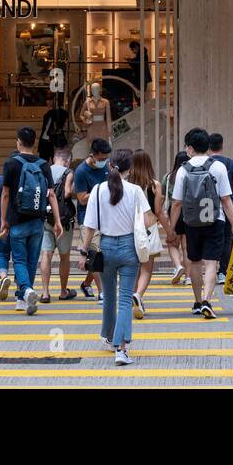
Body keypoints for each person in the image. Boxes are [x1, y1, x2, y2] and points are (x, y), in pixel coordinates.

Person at [80, 149, 155, 366]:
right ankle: (121, 349)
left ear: (110, 165)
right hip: (129, 247)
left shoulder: (97, 190)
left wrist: (84, 253)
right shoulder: (135, 191)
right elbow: (148, 221)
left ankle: (108, 336)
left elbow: (90, 226)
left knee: (108, 296)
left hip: (106, 247)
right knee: (124, 299)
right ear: (129, 170)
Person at [169, 127, 233, 320]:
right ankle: (208, 301)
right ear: (208, 146)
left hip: (192, 222)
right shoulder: (218, 167)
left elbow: (177, 203)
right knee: (211, 263)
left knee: (194, 261)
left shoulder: (183, 169)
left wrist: (171, 228)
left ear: (190, 148)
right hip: (214, 220)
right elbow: (226, 199)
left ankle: (197, 302)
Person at [0, 127, 63, 315]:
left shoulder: (11, 163)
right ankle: (22, 299)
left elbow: (5, 194)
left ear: (18, 142)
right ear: (34, 142)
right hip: (38, 221)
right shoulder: (43, 164)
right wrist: (57, 221)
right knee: (32, 260)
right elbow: (51, 195)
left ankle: (26, 290)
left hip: (17, 221)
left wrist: (4, 220)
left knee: (20, 260)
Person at [128, 148, 172, 318]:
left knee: (133, 267)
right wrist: (169, 232)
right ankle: (138, 295)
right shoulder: (154, 185)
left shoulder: (128, 184)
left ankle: (133, 298)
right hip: (149, 228)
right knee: (146, 268)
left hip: (130, 228)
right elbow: (159, 211)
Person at [37, 136, 76, 303]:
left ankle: (45, 293)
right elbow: (67, 193)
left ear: (53, 159)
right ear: (68, 161)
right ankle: (62, 291)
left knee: (46, 254)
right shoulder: (68, 172)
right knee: (64, 256)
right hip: (63, 220)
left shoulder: (44, 170)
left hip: (46, 218)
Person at [72, 137, 112, 298]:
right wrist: (102, 190)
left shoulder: (106, 167)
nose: (104, 161)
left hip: (106, 216)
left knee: (103, 255)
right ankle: (103, 292)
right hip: (87, 218)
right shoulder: (81, 171)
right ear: (93, 155)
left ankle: (87, 283)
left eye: (106, 158)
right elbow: (81, 198)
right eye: (101, 158)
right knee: (94, 253)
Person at [207, 133, 233, 284]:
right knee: (227, 239)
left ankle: (210, 269)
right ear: (222, 145)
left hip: (207, 207)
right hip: (227, 207)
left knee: (212, 238)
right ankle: (223, 272)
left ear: (209, 146)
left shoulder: (206, 163)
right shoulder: (231, 163)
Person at [161, 150, 190, 285]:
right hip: (190, 213)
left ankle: (178, 266)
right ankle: (188, 277)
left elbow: (162, 198)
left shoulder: (168, 177)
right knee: (187, 247)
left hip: (175, 213)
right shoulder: (191, 175)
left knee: (172, 243)